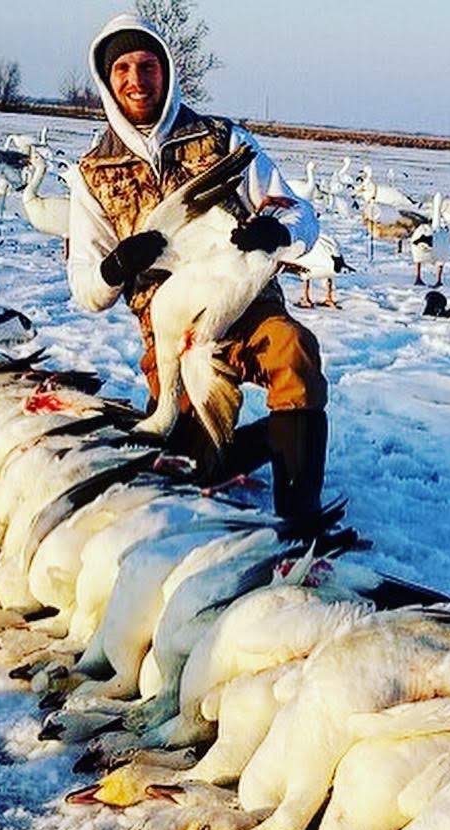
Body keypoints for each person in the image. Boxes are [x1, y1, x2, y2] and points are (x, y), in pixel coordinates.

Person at [67, 13, 328, 520]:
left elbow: (299, 212)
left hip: (246, 304)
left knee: (293, 353)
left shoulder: (222, 139)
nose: (136, 80)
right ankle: (272, 442)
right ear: (107, 79)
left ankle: (301, 524)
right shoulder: (91, 175)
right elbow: (86, 288)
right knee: (191, 463)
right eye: (122, 68)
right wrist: (116, 266)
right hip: (169, 328)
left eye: (147, 65)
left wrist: (278, 232)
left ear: (166, 70)